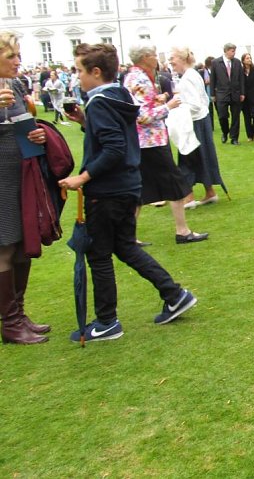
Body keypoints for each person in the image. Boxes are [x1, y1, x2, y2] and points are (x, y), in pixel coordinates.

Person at [58, 43, 198, 342]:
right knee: (125, 247)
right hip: (127, 185)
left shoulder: (101, 102)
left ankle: (107, 321)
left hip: (108, 190)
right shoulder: (117, 95)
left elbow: (113, 148)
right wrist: (85, 122)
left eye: (80, 71)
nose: (77, 77)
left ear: (96, 72)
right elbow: (117, 137)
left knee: (98, 254)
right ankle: (174, 295)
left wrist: (82, 177)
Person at [124, 45, 208, 244]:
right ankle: (182, 231)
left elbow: (141, 106)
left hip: (144, 142)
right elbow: (142, 116)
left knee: (140, 188)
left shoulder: (133, 76)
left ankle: (129, 237)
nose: (157, 58)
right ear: (145, 57)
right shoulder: (140, 79)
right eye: (154, 55)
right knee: (175, 184)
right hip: (151, 141)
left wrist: (158, 100)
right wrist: (168, 106)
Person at [0, 32, 51, 344]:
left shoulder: (16, 85)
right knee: (4, 246)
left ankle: (20, 313)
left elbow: (24, 127)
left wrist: (38, 136)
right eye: (11, 57)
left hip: (21, 173)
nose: (18, 61)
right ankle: (10, 322)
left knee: (22, 243)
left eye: (18, 55)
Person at [169, 47, 224, 209]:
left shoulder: (188, 78)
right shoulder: (193, 74)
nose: (170, 61)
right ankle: (209, 192)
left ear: (182, 58)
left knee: (188, 158)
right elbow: (203, 100)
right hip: (200, 120)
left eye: (173, 58)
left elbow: (194, 104)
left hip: (193, 123)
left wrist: (176, 107)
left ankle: (189, 197)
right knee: (202, 156)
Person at [210, 42, 244, 145]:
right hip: (221, 93)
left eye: (234, 51)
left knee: (235, 117)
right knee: (222, 116)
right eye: (232, 51)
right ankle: (225, 132)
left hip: (235, 93)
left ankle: (234, 138)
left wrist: (242, 93)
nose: (234, 53)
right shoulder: (216, 62)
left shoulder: (237, 62)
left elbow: (241, 78)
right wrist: (212, 94)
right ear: (226, 51)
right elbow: (213, 79)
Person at [240, 52, 254, 142]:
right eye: (247, 58)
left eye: (250, 58)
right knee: (247, 116)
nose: (249, 59)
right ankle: (249, 136)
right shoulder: (240, 71)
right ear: (243, 60)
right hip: (244, 97)